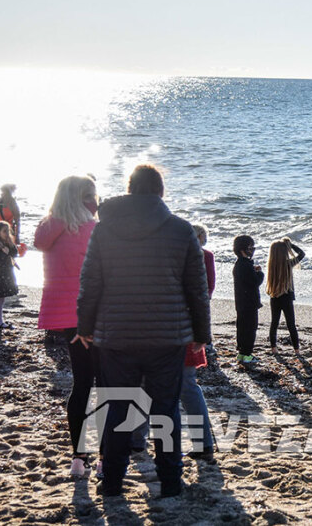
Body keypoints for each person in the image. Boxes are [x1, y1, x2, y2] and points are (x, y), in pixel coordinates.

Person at [77, 164, 210, 498]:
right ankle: (169, 482)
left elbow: (90, 282)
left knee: (118, 408)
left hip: (116, 335)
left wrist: (85, 326)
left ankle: (111, 483)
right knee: (165, 410)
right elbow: (196, 287)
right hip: (167, 337)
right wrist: (200, 333)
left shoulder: (104, 230)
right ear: (160, 192)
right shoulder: (180, 230)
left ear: (130, 189)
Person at [34, 175, 99, 478]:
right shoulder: (92, 229)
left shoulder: (48, 228)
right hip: (94, 314)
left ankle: (78, 458)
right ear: (87, 198)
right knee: (109, 384)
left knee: (82, 383)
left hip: (64, 317)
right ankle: (106, 456)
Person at [266, 237, 306, 356]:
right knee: (291, 324)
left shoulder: (271, 265)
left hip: (274, 296)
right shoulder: (288, 264)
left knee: (274, 323)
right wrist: (290, 245)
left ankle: (274, 348)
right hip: (287, 297)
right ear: (284, 252)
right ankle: (296, 350)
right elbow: (302, 254)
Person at [233, 235, 263, 365]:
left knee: (242, 326)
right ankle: (247, 354)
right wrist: (260, 273)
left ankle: (242, 352)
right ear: (242, 250)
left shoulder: (240, 264)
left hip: (241, 302)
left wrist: (253, 271)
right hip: (249, 302)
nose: (252, 250)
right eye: (250, 247)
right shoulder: (244, 265)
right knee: (250, 328)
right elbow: (254, 282)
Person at [0, 222, 18, 331]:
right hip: (0, 274)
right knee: (0, 298)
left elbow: (15, 253)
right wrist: (3, 253)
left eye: (8, 231)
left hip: (7, 273)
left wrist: (9, 249)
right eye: (4, 231)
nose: (7, 234)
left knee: (1, 298)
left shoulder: (7, 244)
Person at [193, 224, 216, 299]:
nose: (206, 238)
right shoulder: (207, 255)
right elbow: (211, 280)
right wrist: (208, 294)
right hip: (201, 292)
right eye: (204, 235)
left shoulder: (182, 252)